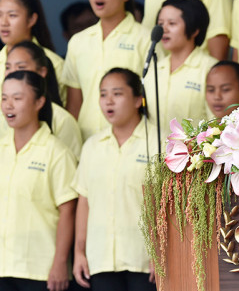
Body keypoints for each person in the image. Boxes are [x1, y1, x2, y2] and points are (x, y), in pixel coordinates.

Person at [71, 68, 156, 291]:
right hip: (100, 260)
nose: (108, 101)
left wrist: (164, 252)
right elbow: (84, 202)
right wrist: (79, 252)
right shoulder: (92, 146)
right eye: (103, 94)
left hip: (145, 261)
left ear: (138, 99)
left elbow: (171, 205)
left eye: (117, 94)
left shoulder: (160, 142)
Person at [0, 70, 77, 291]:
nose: (8, 105)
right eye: (4, 98)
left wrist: (61, 262)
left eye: (17, 98)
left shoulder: (57, 153)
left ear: (39, 102)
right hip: (3, 266)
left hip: (40, 269)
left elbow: (68, 211)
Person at [62, 0, 149, 140]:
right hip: (87, 143)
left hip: (133, 142)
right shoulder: (78, 42)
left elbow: (152, 100)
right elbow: (74, 104)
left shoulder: (145, 39)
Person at [144, 0, 217, 136]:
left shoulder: (210, 69)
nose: (164, 29)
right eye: (160, 23)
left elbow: (216, 124)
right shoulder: (154, 69)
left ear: (195, 29)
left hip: (196, 155)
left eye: (172, 24)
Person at [5, 41, 83, 159]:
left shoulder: (62, 120)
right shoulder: (5, 112)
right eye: (7, 67)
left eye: (21, 67)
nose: (13, 73)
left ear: (42, 72)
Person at [0, 0, 67, 104]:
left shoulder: (53, 62)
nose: (4, 22)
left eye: (12, 15)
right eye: (0, 15)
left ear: (31, 19)